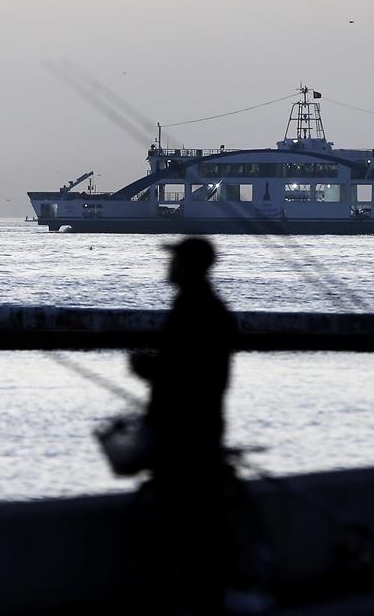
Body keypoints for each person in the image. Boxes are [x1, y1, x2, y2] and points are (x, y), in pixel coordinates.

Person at [130, 236, 238, 614]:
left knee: (185, 517)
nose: (169, 266)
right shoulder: (210, 308)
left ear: (191, 267)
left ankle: (192, 595)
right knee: (198, 517)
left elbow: (186, 370)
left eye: (175, 260)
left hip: (184, 431)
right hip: (203, 425)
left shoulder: (194, 310)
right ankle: (202, 593)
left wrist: (147, 368)